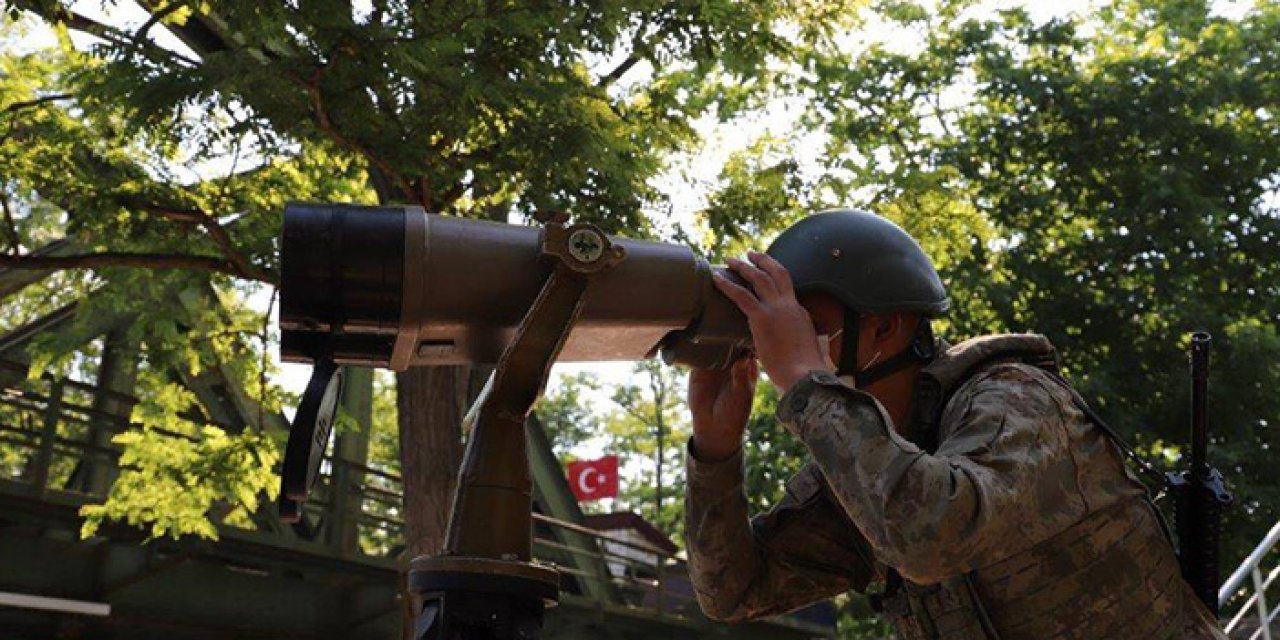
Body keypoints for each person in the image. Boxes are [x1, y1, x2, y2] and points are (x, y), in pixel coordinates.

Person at [683, 209, 1226, 638]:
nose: (786, 344)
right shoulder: (873, 464)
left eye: (810, 326)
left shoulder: (1017, 399)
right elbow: (734, 592)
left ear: (884, 330)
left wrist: (805, 379)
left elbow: (931, 538)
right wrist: (715, 450)